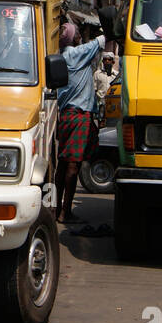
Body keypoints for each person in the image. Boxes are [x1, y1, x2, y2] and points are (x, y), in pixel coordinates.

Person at [56, 22, 115, 223]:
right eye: (78, 33)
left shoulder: (61, 56)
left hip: (65, 115)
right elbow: (104, 38)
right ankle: (65, 212)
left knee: (62, 165)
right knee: (74, 164)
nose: (81, 35)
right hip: (79, 115)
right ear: (73, 38)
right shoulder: (78, 53)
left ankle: (57, 209)